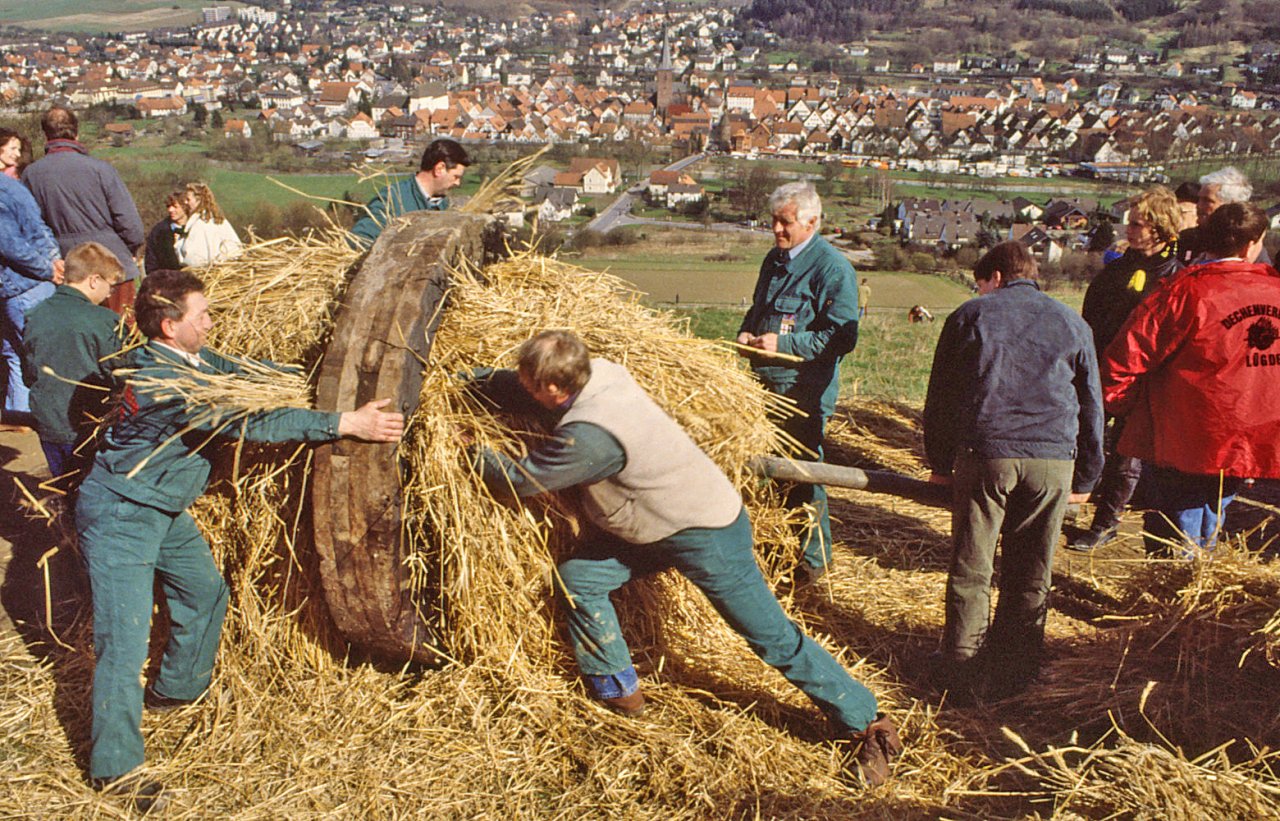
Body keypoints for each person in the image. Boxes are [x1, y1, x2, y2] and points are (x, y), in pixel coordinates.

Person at [469, 330, 902, 785]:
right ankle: (619, 692)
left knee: (769, 637)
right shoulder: (600, 373)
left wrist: (471, 453)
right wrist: (464, 382)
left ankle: (866, 721)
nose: (521, 387)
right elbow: (517, 384)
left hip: (707, 531)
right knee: (580, 579)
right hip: (655, 524)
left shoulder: (593, 439)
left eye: (529, 382)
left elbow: (521, 478)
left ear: (555, 388)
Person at [74, 269, 404, 812]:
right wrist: (344, 421)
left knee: (205, 594)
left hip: (163, 506)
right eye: (200, 315)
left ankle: (176, 691)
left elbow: (237, 373)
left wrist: (311, 375)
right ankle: (116, 768)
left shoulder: (191, 360)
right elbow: (255, 422)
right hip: (121, 513)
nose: (210, 322)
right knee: (123, 641)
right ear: (167, 326)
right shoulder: (169, 383)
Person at [923, 242, 1103, 699]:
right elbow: (1091, 405)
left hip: (988, 453)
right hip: (1052, 460)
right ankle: (1016, 673)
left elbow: (941, 398)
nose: (980, 292)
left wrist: (941, 463)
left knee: (972, 568)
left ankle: (961, 674)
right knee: (1032, 570)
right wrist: (1086, 476)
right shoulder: (1072, 322)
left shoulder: (970, 316)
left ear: (997, 277)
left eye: (982, 283)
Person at [1103, 203, 1280, 558]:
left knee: (1176, 526)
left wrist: (1132, 411)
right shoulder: (1273, 290)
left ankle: (1178, 596)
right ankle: (1191, 591)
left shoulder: (1184, 291)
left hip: (1184, 435)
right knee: (1211, 515)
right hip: (1250, 435)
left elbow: (1124, 359)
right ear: (1251, 245)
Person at [736, 182, 859, 585]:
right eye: (773, 220)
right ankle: (774, 547)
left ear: (812, 222)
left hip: (802, 391)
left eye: (785, 222)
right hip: (764, 384)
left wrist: (784, 344)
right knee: (766, 472)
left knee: (802, 474)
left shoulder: (832, 269)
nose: (776, 229)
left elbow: (842, 338)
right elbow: (759, 311)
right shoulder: (775, 260)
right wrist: (746, 333)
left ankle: (813, 561)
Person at [1071, 187, 1182, 552]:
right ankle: (1073, 505)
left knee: (1125, 454)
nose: (1129, 230)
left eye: (1138, 224)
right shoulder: (1116, 270)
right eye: (1129, 223)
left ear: (1161, 228)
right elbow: (1091, 317)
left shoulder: (1176, 278)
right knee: (1087, 439)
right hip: (1102, 368)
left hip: (1147, 377)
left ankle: (1106, 522)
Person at [21, 242, 124, 490]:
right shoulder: (105, 320)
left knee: (64, 488)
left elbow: (28, 374)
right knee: (94, 494)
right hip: (89, 427)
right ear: (93, 280)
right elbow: (122, 375)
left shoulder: (35, 314)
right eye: (110, 286)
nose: (110, 293)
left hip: (49, 422)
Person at [22, 106, 145, 315]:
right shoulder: (101, 169)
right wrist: (131, 248)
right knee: (122, 333)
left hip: (69, 267)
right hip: (112, 261)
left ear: (45, 134)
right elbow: (131, 225)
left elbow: (30, 227)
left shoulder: (31, 175)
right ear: (76, 132)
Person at [0, 169, 62, 428]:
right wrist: (50, 266)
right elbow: (10, 244)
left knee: (16, 354)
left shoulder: (9, 188)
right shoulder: (8, 188)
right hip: (25, 286)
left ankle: (21, 420)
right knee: (42, 357)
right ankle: (46, 425)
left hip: (13, 288)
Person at [350, 138, 471, 247]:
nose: (458, 183)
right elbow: (356, 242)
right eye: (456, 177)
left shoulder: (444, 205)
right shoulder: (393, 199)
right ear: (439, 169)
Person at [1178, 166, 1271, 267]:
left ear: (1232, 205)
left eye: (1208, 201)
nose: (1199, 206)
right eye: (1199, 199)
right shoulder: (1187, 239)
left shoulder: (1247, 248)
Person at [178, 182, 243, 267]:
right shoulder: (220, 220)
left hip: (206, 274)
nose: (185, 202)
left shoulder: (200, 224)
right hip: (226, 270)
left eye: (188, 199)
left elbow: (195, 259)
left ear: (199, 200)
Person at [144, 191, 188, 273]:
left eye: (175, 206)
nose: (170, 210)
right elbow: (151, 260)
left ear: (185, 207)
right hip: (168, 280)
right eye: (168, 206)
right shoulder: (159, 231)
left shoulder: (196, 228)